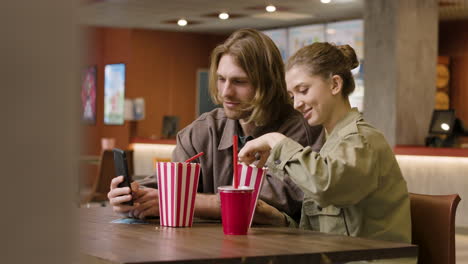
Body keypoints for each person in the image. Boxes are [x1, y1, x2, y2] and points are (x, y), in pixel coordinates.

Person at [107, 29, 324, 225]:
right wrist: (133, 197)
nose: (225, 92)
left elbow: (269, 201)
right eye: (221, 79)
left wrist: (175, 200)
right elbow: (167, 186)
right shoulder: (203, 130)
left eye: (239, 82)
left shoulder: (304, 130)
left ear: (269, 83)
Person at [238, 42, 412, 245]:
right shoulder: (332, 143)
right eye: (292, 96)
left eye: (303, 90)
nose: (296, 104)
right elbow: (328, 232)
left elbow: (325, 187)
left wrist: (275, 140)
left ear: (335, 85)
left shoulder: (362, 140)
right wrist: (279, 220)